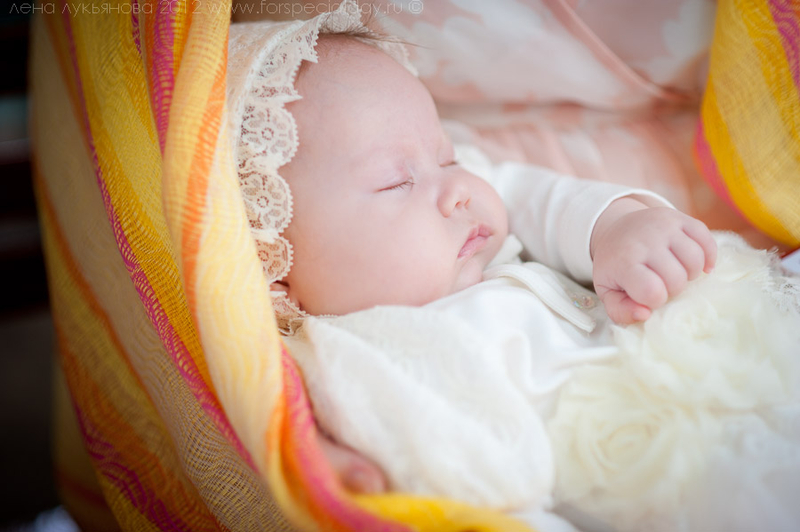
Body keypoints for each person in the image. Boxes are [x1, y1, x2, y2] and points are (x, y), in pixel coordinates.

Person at [228, 4, 800, 530]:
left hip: (732, 340)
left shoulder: (473, 221)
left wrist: (613, 228)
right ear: (279, 271)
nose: (457, 186)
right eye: (396, 182)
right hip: (665, 479)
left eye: (446, 154)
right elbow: (488, 500)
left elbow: (537, 196)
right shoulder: (349, 360)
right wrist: (326, 457)